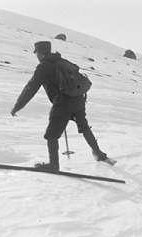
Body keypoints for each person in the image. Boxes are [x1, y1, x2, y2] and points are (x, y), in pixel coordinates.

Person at [10, 41, 108, 171]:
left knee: (51, 135)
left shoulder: (44, 67)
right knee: (84, 127)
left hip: (63, 103)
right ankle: (99, 153)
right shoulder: (61, 61)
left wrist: (17, 106)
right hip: (78, 99)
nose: (36, 56)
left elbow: (31, 87)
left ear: (39, 53)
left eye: (36, 53)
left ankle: (53, 165)